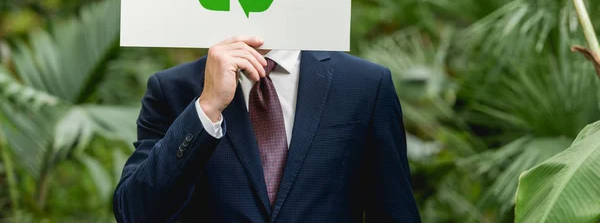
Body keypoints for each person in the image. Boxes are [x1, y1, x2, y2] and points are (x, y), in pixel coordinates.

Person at [113, 36, 420, 222]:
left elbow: (395, 212)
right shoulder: (173, 89)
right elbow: (135, 213)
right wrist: (206, 108)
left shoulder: (365, 85)